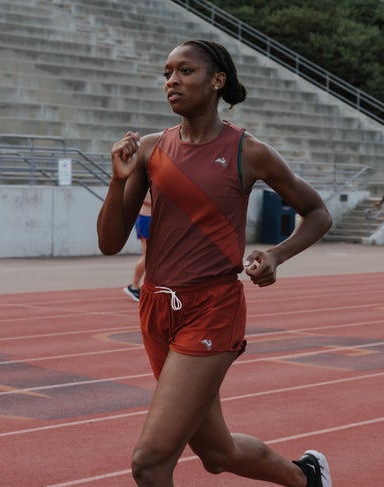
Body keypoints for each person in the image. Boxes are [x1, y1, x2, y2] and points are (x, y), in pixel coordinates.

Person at [97, 39, 333, 487]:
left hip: (212, 310)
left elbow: (318, 212)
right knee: (216, 452)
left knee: (149, 463)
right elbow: (110, 243)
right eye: (167, 72)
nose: (171, 81)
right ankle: (307, 479)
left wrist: (277, 255)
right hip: (156, 308)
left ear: (216, 81)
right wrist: (116, 181)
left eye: (184, 71)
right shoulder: (149, 149)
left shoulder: (249, 152)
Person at [124, 193, 151, 302]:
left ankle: (144, 286)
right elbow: (142, 199)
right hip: (146, 219)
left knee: (155, 256)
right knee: (148, 255)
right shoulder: (143, 178)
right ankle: (134, 286)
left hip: (153, 218)